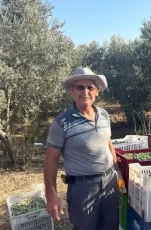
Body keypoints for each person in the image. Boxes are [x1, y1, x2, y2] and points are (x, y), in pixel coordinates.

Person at [43, 67, 120, 230]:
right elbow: (51, 160)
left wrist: (118, 174)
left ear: (96, 91)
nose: (85, 92)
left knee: (111, 227)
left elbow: (108, 143)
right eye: (80, 87)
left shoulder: (104, 115)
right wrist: (52, 196)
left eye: (90, 87)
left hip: (109, 182)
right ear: (72, 90)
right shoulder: (61, 122)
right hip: (82, 188)